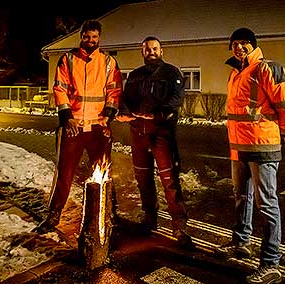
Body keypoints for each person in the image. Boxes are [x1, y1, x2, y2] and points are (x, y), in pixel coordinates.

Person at [215, 28, 285, 284]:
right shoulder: (235, 73)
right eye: (235, 44)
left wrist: (282, 133)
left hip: (263, 146)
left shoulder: (267, 68)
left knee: (267, 204)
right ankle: (241, 242)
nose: (239, 48)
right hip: (239, 148)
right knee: (242, 196)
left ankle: (272, 264)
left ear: (253, 46)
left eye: (244, 43)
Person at [35, 19, 122, 233]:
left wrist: (108, 117)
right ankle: (54, 214)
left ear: (99, 38)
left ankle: (109, 212)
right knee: (64, 173)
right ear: (81, 36)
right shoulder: (68, 59)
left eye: (94, 37)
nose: (90, 40)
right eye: (87, 36)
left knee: (103, 173)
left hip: (98, 128)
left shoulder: (108, 62)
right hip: (74, 127)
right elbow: (60, 89)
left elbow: (114, 91)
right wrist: (67, 117)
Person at [116, 36, 193, 248]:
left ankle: (179, 225)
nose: (151, 51)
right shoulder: (135, 75)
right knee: (143, 179)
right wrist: (123, 112)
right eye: (147, 49)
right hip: (137, 133)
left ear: (161, 51)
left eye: (155, 48)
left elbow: (176, 99)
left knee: (169, 180)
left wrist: (158, 115)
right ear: (143, 52)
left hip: (162, 134)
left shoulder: (171, 72)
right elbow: (125, 99)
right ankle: (150, 218)